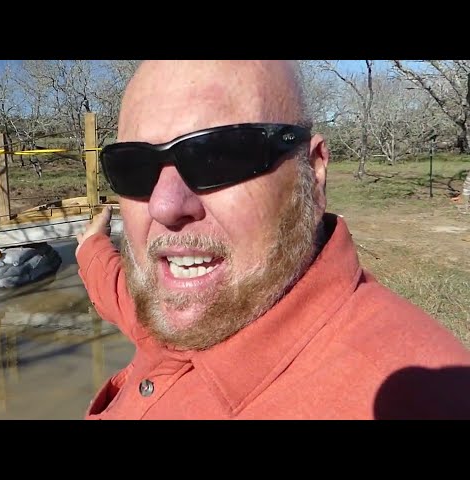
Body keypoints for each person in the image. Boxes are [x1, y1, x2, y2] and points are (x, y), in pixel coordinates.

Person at [75, 60, 470, 420]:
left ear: (313, 174)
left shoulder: (420, 396)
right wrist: (90, 247)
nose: (163, 205)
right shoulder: (175, 300)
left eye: (218, 155)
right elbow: (126, 295)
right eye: (132, 167)